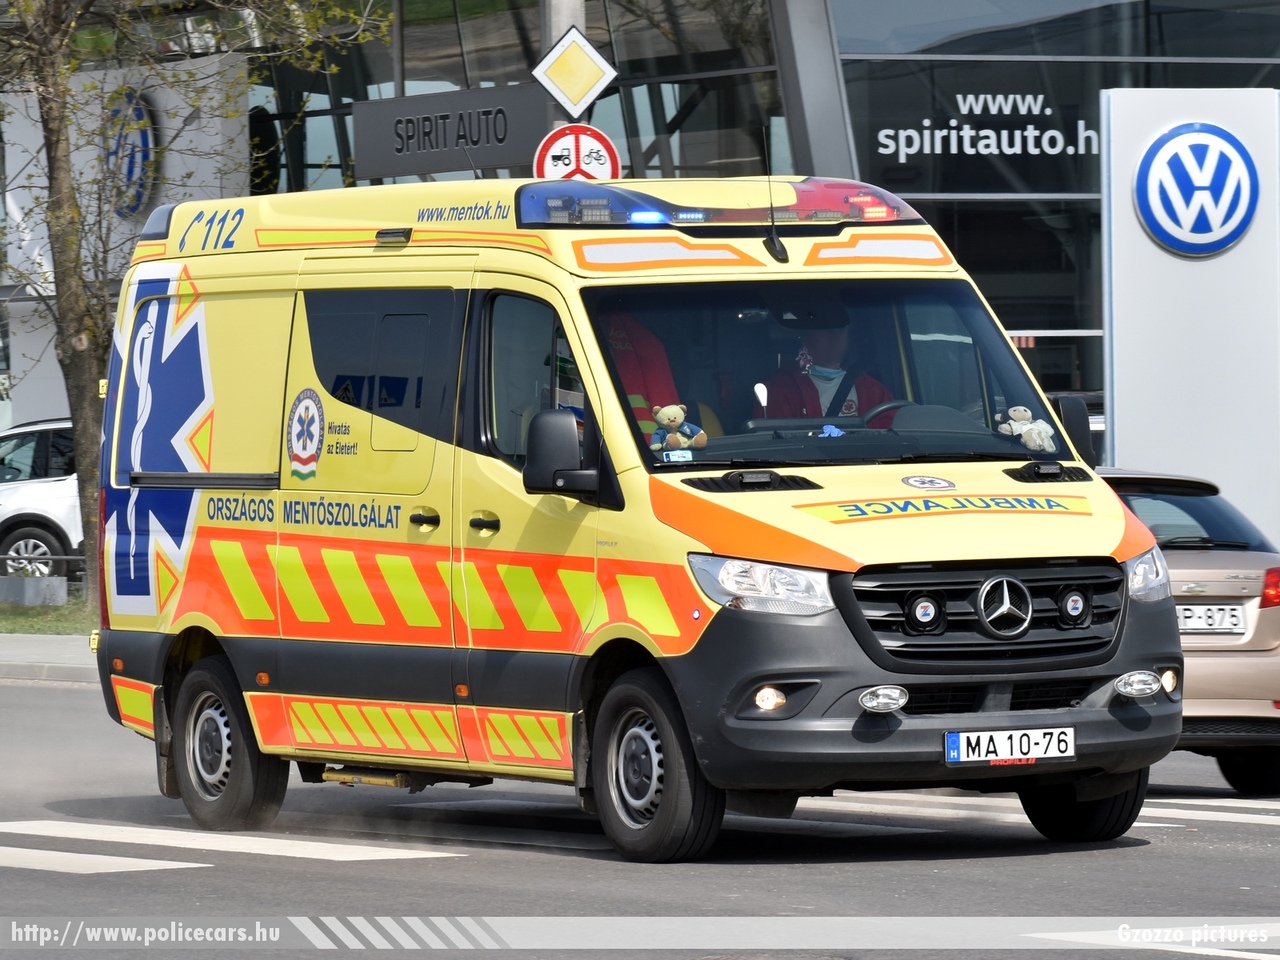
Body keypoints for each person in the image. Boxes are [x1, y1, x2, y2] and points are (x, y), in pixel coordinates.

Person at [754, 318, 896, 426]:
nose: (836, 337)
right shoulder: (781, 389)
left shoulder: (869, 387)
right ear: (807, 337)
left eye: (841, 330)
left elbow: (895, 434)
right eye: (826, 331)